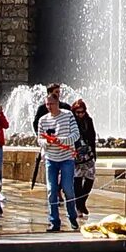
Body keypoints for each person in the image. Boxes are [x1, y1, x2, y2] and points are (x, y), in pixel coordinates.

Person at [36, 89, 81, 231]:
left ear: (57, 103)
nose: (49, 106)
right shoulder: (43, 120)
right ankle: (54, 221)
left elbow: (76, 135)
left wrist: (60, 140)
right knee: (51, 190)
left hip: (66, 158)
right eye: (47, 104)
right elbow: (39, 139)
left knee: (68, 189)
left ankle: (72, 217)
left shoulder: (68, 116)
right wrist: (47, 143)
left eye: (52, 104)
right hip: (51, 159)